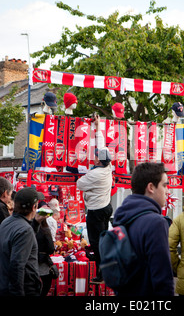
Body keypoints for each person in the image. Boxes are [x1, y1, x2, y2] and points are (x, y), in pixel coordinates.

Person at [112, 162, 174, 296]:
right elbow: (163, 277)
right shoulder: (156, 223)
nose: (167, 191)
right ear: (151, 187)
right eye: (164, 185)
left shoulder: (122, 216)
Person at [76, 115, 113, 282]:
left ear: (99, 160)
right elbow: (102, 144)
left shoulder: (95, 174)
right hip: (105, 207)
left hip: (96, 211)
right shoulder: (107, 166)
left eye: (97, 155)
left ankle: (102, 274)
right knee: (103, 240)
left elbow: (80, 184)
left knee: (96, 242)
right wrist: (98, 127)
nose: (95, 156)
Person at [0, 187, 45, 296]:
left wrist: (35, 223)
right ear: (34, 207)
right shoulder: (25, 230)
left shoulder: (6, 222)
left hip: (3, 285)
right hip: (23, 289)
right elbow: (17, 266)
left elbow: (23, 243)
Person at [36, 216, 55, 296]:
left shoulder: (30, 229)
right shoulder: (45, 230)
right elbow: (51, 248)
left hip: (31, 261)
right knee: (46, 283)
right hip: (43, 261)